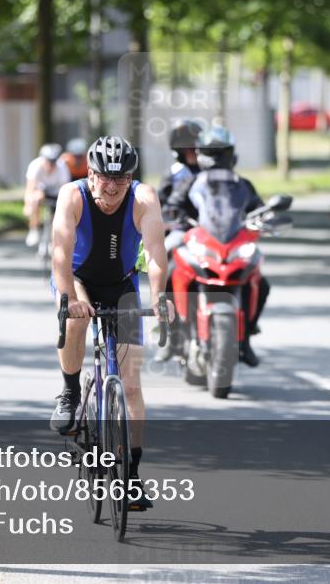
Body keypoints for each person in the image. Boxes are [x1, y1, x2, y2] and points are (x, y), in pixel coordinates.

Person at [49, 136, 172, 511]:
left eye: (122, 177)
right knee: (76, 320)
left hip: (121, 285)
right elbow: (61, 254)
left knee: (131, 384)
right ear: (91, 173)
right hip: (78, 277)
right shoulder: (71, 196)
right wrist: (72, 299)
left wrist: (160, 296)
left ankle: (131, 475)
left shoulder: (143, 198)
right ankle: (70, 392)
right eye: (105, 177)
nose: (113, 185)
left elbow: (155, 253)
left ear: (131, 175)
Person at [163, 126, 269, 368]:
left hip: (232, 243)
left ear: (231, 154)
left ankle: (246, 338)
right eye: (212, 152)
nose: (217, 158)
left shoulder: (242, 185)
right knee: (169, 271)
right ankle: (171, 334)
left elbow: (258, 208)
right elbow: (172, 205)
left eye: (222, 152)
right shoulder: (191, 182)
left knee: (261, 282)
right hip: (200, 241)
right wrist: (175, 215)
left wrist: (264, 218)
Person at [155, 119, 203, 363]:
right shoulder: (174, 174)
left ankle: (241, 332)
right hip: (181, 231)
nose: (193, 152)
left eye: (196, 146)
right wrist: (167, 219)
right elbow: (158, 205)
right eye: (188, 148)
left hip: (211, 235)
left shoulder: (213, 170)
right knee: (168, 269)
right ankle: (171, 335)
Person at [24, 143, 70, 248]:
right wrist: (28, 205)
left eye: (53, 162)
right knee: (35, 198)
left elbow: (66, 191)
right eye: (48, 161)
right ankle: (34, 229)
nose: (50, 165)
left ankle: (53, 239)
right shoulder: (35, 166)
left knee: (57, 215)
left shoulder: (62, 168)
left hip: (57, 192)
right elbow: (30, 188)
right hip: (41, 190)